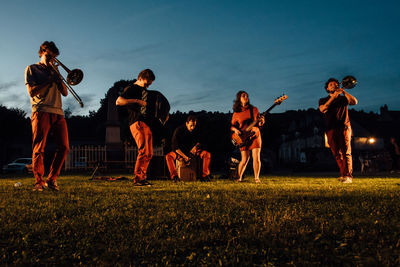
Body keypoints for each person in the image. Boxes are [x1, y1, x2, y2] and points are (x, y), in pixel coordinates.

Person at [25, 41, 69, 191]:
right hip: (41, 110)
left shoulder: (55, 71)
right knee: (39, 147)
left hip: (58, 111)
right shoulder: (32, 68)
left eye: (54, 57)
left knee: (64, 147)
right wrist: (49, 80)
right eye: (49, 56)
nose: (52, 59)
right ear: (41, 53)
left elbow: (65, 92)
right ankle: (39, 182)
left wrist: (58, 78)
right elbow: (31, 92)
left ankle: (51, 179)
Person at [116, 69, 157, 186]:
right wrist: (137, 101)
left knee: (149, 153)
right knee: (143, 151)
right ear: (140, 78)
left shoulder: (144, 91)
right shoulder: (132, 88)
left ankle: (142, 178)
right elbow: (118, 101)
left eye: (150, 84)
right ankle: (138, 179)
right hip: (136, 122)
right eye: (147, 83)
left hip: (146, 123)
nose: (148, 85)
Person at [319, 78, 358, 183]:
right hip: (331, 129)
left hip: (344, 127)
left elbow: (354, 102)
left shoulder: (343, 98)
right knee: (336, 153)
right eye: (331, 84)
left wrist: (344, 92)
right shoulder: (323, 100)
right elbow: (323, 109)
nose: (334, 85)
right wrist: (333, 97)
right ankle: (343, 174)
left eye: (336, 84)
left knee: (346, 152)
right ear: (327, 88)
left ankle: (348, 176)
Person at [231, 91, 265, 183]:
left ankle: (256, 178)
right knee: (244, 159)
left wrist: (261, 122)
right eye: (243, 96)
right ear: (239, 99)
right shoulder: (236, 113)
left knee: (256, 157)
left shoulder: (254, 109)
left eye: (247, 96)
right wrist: (235, 130)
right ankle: (239, 178)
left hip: (254, 135)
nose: (246, 97)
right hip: (243, 137)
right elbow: (232, 126)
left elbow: (259, 124)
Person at [165, 115, 212, 182]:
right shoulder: (179, 130)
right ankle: (174, 176)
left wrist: (196, 147)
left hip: (193, 153)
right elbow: (175, 147)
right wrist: (185, 157)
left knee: (207, 154)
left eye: (194, 125)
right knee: (169, 156)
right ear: (186, 124)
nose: (192, 128)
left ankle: (205, 176)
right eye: (191, 126)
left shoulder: (197, 130)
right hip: (180, 152)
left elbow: (202, 141)